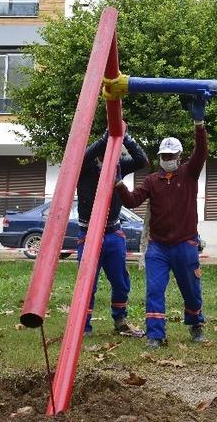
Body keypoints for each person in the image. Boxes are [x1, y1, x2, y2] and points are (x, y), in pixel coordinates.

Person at [115, 97, 208, 349]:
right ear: (160, 156)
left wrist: (199, 124)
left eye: (171, 155)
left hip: (185, 244)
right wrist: (119, 183)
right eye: (164, 155)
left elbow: (201, 153)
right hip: (158, 247)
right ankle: (155, 334)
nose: (167, 158)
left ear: (179, 156)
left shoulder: (189, 174)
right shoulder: (152, 180)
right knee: (154, 290)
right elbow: (133, 201)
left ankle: (196, 324)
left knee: (191, 288)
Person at [77, 128, 148, 337]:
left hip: (113, 232)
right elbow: (84, 156)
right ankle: (84, 326)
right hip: (88, 234)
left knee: (120, 281)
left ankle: (120, 320)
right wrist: (105, 138)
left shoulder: (118, 166)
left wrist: (125, 138)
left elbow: (142, 161)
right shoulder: (86, 167)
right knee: (87, 283)